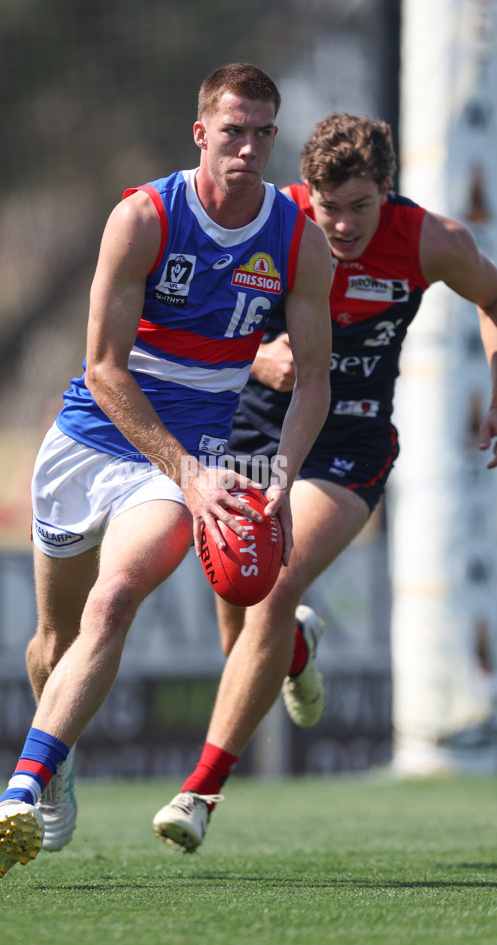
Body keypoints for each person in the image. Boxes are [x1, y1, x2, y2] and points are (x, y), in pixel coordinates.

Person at [0, 62, 332, 878]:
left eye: (264, 132)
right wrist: (189, 470)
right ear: (201, 133)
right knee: (51, 645)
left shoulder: (295, 237)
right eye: (233, 131)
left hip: (177, 468)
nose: (248, 148)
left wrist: (273, 472)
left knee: (116, 597)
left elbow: (315, 377)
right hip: (88, 444)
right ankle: (57, 759)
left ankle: (18, 794)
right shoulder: (144, 216)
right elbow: (103, 368)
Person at [151, 112, 497, 853]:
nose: (340, 224)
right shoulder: (271, 224)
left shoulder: (434, 240)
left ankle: (200, 792)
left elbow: (494, 297)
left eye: (359, 206)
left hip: (350, 441)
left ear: (388, 192)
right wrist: (253, 359)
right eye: (327, 205)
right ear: (305, 191)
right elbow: (192, 322)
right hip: (254, 433)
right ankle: (296, 651)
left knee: (275, 578)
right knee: (241, 600)